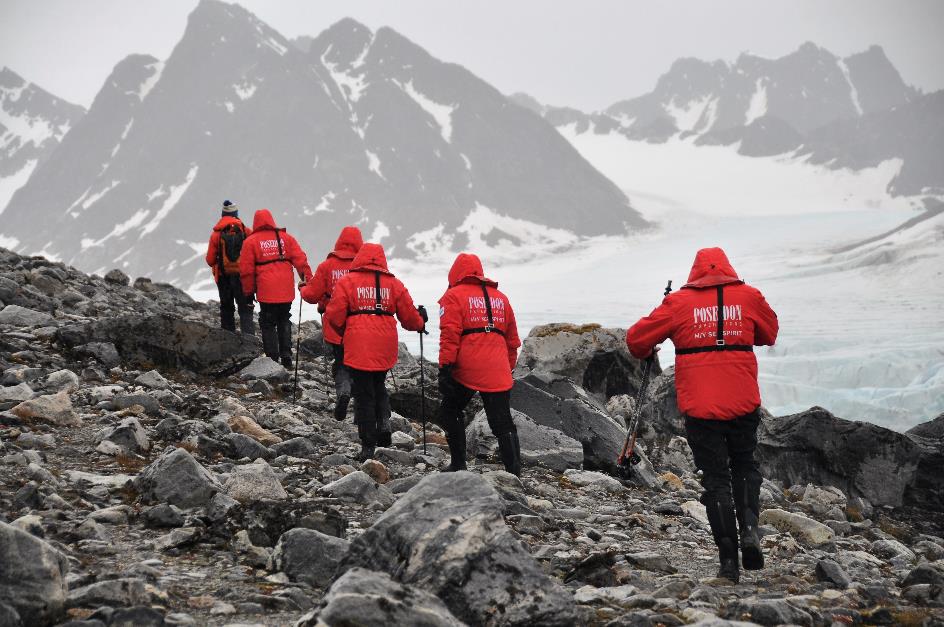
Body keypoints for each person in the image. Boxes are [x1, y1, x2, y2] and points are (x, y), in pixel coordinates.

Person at [626, 247, 778, 584]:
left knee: (715, 478)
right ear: (727, 268)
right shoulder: (749, 296)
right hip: (742, 400)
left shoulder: (678, 303)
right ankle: (750, 531)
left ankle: (728, 563)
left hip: (701, 406)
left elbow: (636, 341)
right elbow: (770, 334)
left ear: (695, 272)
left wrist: (660, 333)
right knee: (744, 465)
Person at [324, 242, 426, 461]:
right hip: (385, 343)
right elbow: (409, 318)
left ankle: (368, 444)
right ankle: (385, 425)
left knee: (363, 394)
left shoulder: (347, 282)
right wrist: (421, 322)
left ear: (360, 258)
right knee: (379, 385)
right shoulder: (394, 284)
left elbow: (333, 316)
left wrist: (346, 330)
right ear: (381, 259)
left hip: (358, 344)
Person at [437, 253, 522, 475]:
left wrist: (445, 368)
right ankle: (514, 472)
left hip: (468, 366)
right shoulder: (501, 298)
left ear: (455, 273)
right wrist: (508, 368)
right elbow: (512, 340)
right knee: (502, 422)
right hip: (497, 366)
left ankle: (458, 463)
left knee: (450, 409)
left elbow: (450, 336)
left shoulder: (453, 296)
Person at [300, 226, 363, 420]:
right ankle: (363, 406)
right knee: (361, 365)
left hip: (336, 327)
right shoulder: (363, 268)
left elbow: (312, 295)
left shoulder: (327, 266)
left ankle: (343, 391)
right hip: (361, 326)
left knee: (342, 362)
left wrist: (303, 289)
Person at [238, 209, 312, 369]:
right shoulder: (286, 238)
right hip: (286, 289)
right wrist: (307, 281)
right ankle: (286, 356)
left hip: (266, 291)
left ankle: (272, 358)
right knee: (284, 319)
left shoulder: (251, 242)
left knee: (267, 322)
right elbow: (301, 260)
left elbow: (247, 271)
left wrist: (248, 293)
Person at [205, 200, 254, 334]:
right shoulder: (245, 230)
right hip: (242, 276)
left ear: (222, 215)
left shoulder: (216, 233)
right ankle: (250, 341)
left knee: (227, 308)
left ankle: (228, 339)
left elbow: (210, 260)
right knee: (245, 308)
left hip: (223, 276)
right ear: (236, 214)